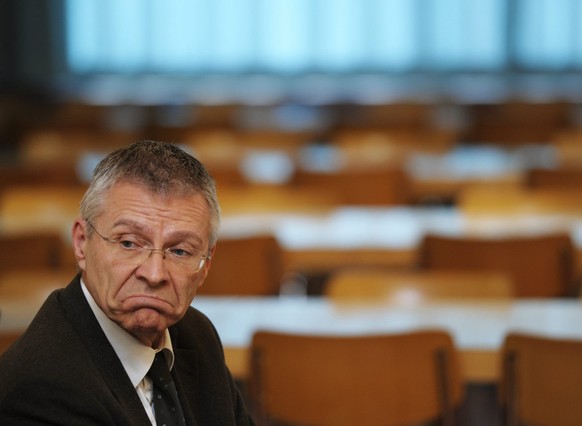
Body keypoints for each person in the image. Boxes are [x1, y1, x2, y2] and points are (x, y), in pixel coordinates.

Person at [0, 140, 255, 425]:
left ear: (206, 263)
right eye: (129, 243)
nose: (155, 273)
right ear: (82, 244)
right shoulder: (41, 389)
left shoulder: (197, 335)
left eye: (180, 251)